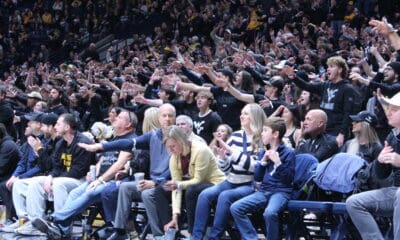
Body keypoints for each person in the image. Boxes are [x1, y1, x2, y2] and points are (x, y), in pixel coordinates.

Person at [31, 110, 138, 239]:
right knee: (74, 193)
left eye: (120, 117)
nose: (115, 118)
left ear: (128, 124)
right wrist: (94, 172)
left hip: (115, 181)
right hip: (99, 179)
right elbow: (103, 159)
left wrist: (100, 180)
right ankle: (61, 230)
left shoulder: (131, 139)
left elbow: (119, 165)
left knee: (90, 192)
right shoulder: (115, 138)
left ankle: (54, 219)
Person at [78, 103, 176, 239]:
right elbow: (128, 143)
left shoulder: (178, 136)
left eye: (170, 116)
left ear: (175, 118)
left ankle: (158, 235)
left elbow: (176, 167)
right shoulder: (153, 135)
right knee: (125, 187)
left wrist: (155, 182)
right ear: (158, 118)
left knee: (147, 193)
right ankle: (119, 230)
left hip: (169, 181)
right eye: (164, 116)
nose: (167, 119)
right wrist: (100, 146)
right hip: (152, 181)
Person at [11, 113, 95, 235]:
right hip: (64, 178)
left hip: (81, 180)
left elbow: (77, 171)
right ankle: (34, 222)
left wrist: (54, 179)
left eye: (58, 124)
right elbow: (55, 167)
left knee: (58, 184)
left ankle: (61, 226)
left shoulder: (82, 142)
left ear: (67, 127)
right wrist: (50, 176)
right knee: (32, 182)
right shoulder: (61, 143)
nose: (55, 127)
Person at [191, 103, 266, 240]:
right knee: (204, 195)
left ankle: (214, 236)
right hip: (230, 180)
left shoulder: (262, 138)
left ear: (254, 117)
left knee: (225, 196)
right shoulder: (236, 136)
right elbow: (226, 169)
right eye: (241, 113)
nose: (241, 116)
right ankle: (196, 237)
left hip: (250, 184)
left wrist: (233, 153)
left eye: (246, 114)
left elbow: (255, 168)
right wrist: (223, 159)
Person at [230, 117, 296, 240]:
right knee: (236, 208)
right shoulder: (263, 152)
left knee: (270, 213)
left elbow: (288, 179)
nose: (262, 133)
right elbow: (258, 178)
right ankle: (252, 238)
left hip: (281, 192)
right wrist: (263, 162)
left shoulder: (289, 153)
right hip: (264, 191)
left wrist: (278, 162)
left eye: (265, 130)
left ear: (275, 134)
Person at [346, 92, 400, 239]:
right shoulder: (392, 136)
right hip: (394, 190)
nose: (388, 113)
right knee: (353, 202)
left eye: (394, 110)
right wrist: (380, 162)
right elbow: (381, 174)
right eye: (388, 108)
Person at [162, 125, 225, 237]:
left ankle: (193, 234)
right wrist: (175, 215)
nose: (171, 150)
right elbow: (176, 187)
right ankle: (169, 231)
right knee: (160, 190)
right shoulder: (174, 158)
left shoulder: (200, 149)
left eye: (173, 146)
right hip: (196, 185)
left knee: (192, 191)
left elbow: (198, 179)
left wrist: (178, 185)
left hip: (216, 183)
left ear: (181, 141)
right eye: (168, 147)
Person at [285, 56, 358, 147]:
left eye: (331, 66)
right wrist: (294, 77)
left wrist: (342, 134)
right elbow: (307, 86)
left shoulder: (347, 89)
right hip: (322, 130)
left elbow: (348, 113)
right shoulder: (325, 85)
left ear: (340, 70)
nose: (328, 69)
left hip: (336, 131)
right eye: (328, 66)